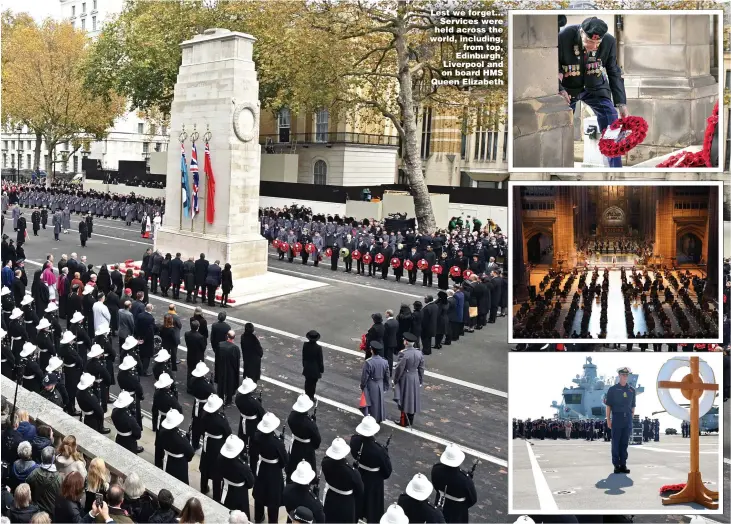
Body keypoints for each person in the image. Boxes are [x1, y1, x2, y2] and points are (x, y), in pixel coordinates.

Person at [558, 16, 628, 168]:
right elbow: (552, 66)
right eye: (590, 41)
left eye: (598, 42)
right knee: (561, 124)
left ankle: (614, 168)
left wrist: (621, 102)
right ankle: (561, 165)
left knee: (611, 119)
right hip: (569, 88)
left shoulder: (608, 41)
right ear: (581, 32)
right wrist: (560, 88)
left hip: (595, 86)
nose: (594, 46)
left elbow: (613, 71)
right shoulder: (564, 37)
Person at [349, 415, 392, 524]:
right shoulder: (379, 451)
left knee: (356, 506)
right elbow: (387, 472)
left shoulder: (354, 441)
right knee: (373, 512)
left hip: (359, 474)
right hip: (374, 483)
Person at [252, 412, 288, 524]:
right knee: (273, 499)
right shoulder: (277, 443)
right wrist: (281, 443)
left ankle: (258, 517)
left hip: (262, 467)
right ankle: (272, 521)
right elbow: (284, 461)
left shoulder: (257, 436)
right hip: (274, 471)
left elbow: (253, 453)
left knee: (260, 493)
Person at [430, 444, 477, 523]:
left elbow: (436, 486)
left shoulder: (436, 469)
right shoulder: (465, 479)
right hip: (458, 511)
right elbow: (473, 499)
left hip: (440, 503)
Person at [321, 437, 363, 524]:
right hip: (346, 502)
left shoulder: (325, 463)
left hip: (330, 497)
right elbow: (360, 490)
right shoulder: (352, 473)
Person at [605, 366, 636, 474]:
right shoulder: (612, 389)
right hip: (617, 418)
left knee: (624, 443)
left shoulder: (632, 390)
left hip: (627, 419)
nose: (625, 376)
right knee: (616, 443)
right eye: (623, 375)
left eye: (626, 375)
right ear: (619, 376)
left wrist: (631, 419)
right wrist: (608, 419)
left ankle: (623, 464)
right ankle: (616, 465)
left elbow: (633, 406)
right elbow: (608, 406)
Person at [285, 394, 321, 481]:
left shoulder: (292, 416)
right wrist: (313, 423)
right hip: (306, 448)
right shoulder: (309, 423)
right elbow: (317, 441)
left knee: (293, 465)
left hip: (295, 445)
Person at [217, 435, 255, 517]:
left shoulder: (220, 458)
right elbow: (251, 483)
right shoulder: (243, 467)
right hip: (239, 493)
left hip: (226, 488)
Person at [155, 408, 195, 484]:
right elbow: (191, 452)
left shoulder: (162, 432)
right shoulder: (180, 438)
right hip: (179, 464)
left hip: (167, 460)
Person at [393, 333, 424, 427]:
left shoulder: (404, 353)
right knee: (412, 399)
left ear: (406, 342)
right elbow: (421, 368)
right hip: (415, 377)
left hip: (406, 377)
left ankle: (404, 421)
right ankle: (410, 420)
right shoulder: (419, 353)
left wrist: (395, 380)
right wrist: (420, 380)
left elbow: (399, 368)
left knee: (404, 399)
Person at [235, 378, 265, 472]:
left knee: (242, 439)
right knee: (253, 444)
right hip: (252, 424)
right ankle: (252, 468)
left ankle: (242, 457)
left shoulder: (238, 398)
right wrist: (259, 403)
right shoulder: (253, 402)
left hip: (243, 420)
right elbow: (262, 414)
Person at [25, 446, 61, 517]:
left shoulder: (34, 473)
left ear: (41, 458)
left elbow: (26, 485)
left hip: (36, 510)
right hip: (51, 513)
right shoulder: (60, 478)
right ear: (54, 459)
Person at [359, 341, 390, 423]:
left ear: (372, 350)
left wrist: (362, 386)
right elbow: (387, 375)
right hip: (380, 384)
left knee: (371, 404)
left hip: (371, 385)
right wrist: (386, 386)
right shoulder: (385, 362)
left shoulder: (369, 362)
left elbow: (364, 377)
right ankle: (379, 418)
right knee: (379, 403)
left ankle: (371, 420)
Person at [217, 331, 241, 406]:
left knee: (221, 383)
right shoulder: (235, 348)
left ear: (227, 336)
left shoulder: (220, 345)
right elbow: (236, 361)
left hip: (221, 367)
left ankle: (220, 398)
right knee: (230, 384)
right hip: (231, 370)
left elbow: (217, 358)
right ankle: (228, 400)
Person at [302, 330, 324, 401]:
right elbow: (320, 360)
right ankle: (311, 397)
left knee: (307, 383)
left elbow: (304, 357)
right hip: (315, 369)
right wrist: (321, 370)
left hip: (307, 367)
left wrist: (304, 365)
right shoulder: (318, 348)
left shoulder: (305, 345)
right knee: (313, 384)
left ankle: (307, 395)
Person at [210, 312, 231, 383]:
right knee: (224, 363)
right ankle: (223, 377)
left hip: (217, 347)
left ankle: (217, 378)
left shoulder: (214, 325)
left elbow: (212, 338)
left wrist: (214, 347)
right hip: (224, 348)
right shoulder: (228, 327)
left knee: (217, 363)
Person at [185, 321, 207, 385]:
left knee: (190, 371)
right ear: (198, 327)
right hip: (198, 357)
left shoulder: (187, 334)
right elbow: (203, 348)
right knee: (198, 372)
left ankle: (189, 385)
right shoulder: (200, 337)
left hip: (190, 355)